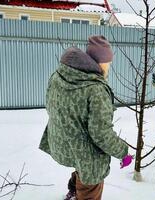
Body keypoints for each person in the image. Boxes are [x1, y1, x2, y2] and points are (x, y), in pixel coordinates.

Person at [39, 35, 132, 200]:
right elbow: (101, 134)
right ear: (99, 61)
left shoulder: (59, 75)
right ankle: (80, 194)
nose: (109, 67)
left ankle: (74, 192)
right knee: (90, 178)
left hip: (63, 143)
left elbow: (49, 106)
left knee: (80, 165)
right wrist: (123, 153)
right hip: (87, 155)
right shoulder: (95, 89)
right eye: (108, 62)